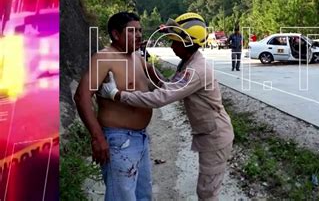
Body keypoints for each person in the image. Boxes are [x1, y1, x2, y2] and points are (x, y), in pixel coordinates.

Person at [98, 12, 234, 201]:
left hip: (216, 136)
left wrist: (117, 94)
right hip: (209, 132)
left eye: (175, 42)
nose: (171, 46)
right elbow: (171, 86)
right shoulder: (188, 62)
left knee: (207, 192)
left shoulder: (195, 70)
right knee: (207, 189)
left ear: (187, 43)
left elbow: (161, 97)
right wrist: (151, 70)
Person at [74, 12, 164, 201]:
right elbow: (82, 96)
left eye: (140, 30)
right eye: (133, 31)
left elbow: (163, 84)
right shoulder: (104, 58)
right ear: (116, 34)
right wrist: (98, 138)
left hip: (141, 139)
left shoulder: (137, 58)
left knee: (143, 196)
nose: (139, 35)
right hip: (119, 140)